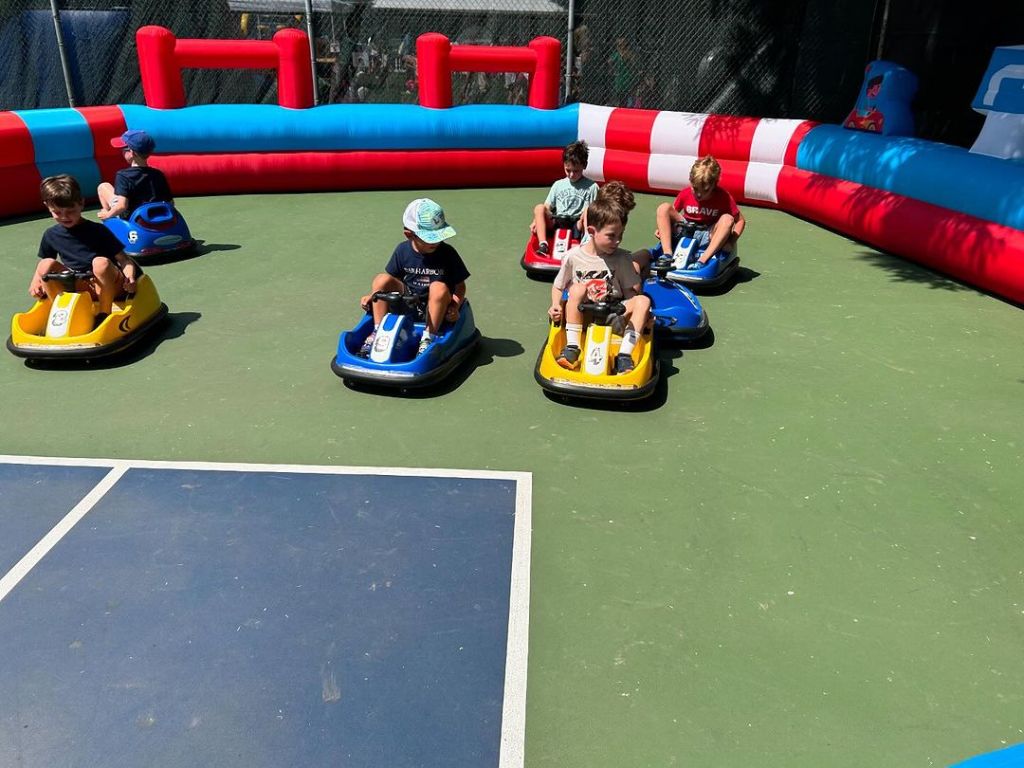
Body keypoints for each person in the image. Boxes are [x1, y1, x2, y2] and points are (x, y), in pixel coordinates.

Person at [548, 197, 651, 375]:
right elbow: (558, 286)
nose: (617, 241)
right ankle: (572, 347)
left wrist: (641, 312)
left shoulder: (623, 259)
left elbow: (629, 293)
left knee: (643, 300)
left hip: (614, 313)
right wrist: (555, 305)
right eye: (611, 236)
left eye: (620, 235)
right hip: (583, 314)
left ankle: (624, 356)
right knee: (577, 289)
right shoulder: (573, 257)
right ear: (591, 231)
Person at [358, 198, 469, 357]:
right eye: (429, 237)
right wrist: (373, 296)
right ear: (409, 235)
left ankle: (428, 338)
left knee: (438, 286)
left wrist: (455, 306)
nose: (436, 241)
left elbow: (460, 286)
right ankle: (378, 331)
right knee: (381, 279)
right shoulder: (402, 250)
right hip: (408, 303)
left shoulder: (448, 253)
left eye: (438, 236)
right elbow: (391, 281)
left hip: (438, 308)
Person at [30, 174, 139, 319]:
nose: (64, 217)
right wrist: (35, 282)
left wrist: (130, 277)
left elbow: (125, 260)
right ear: (47, 207)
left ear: (81, 203)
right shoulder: (51, 235)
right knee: (45, 264)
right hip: (79, 285)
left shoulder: (98, 231)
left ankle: (104, 314)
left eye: (70, 211)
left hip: (110, 285)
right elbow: (43, 265)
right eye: (57, 212)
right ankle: (60, 312)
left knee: (100, 263)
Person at [654, 155, 745, 269]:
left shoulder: (723, 197)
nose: (699, 194)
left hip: (709, 234)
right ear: (690, 181)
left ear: (714, 184)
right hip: (686, 230)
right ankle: (667, 254)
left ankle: (703, 260)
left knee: (727, 219)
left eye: (705, 190)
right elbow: (672, 213)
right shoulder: (685, 194)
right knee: (664, 208)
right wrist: (663, 229)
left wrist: (731, 241)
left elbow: (740, 221)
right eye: (695, 188)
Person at [532, 140, 599, 256]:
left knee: (588, 210)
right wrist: (536, 221)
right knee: (539, 207)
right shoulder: (558, 185)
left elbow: (595, 212)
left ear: (584, 165)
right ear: (564, 164)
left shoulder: (592, 187)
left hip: (577, 224)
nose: (571, 174)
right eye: (568, 170)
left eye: (576, 171)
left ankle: (586, 242)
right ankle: (543, 245)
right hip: (558, 221)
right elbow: (547, 206)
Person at [97, 130, 174, 221]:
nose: (122, 152)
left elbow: (122, 206)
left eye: (123, 149)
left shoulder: (123, 175)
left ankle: (109, 222)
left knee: (103, 187)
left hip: (133, 219)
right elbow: (170, 202)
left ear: (131, 152)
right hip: (155, 216)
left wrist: (107, 215)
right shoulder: (158, 174)